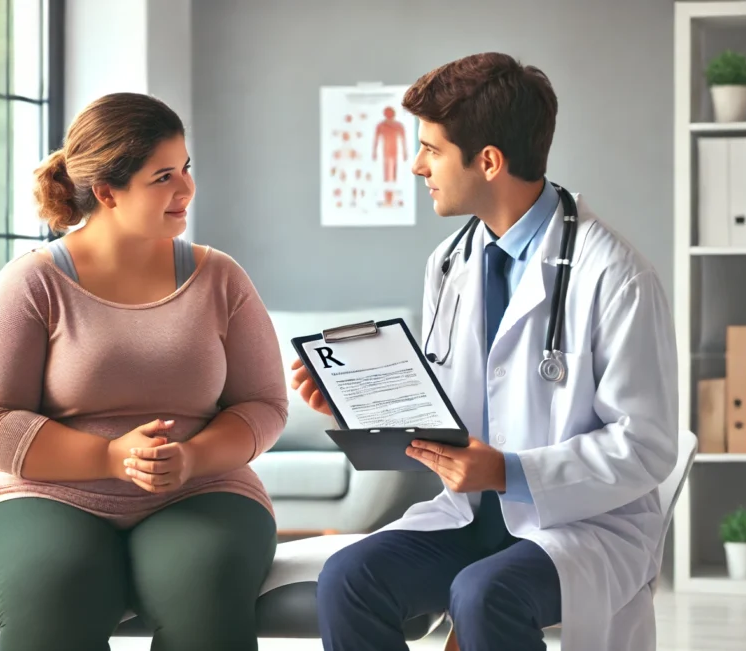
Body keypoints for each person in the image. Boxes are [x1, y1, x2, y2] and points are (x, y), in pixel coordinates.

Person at [291, 53, 679, 651]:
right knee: (349, 579)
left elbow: (645, 447)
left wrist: (510, 471)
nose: (417, 165)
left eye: (432, 149)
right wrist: (356, 407)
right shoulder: (449, 262)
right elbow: (449, 409)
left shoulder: (616, 275)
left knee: (483, 593)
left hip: (580, 527)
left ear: (489, 162)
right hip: (471, 516)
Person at [0, 92, 288, 651]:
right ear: (107, 192)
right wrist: (109, 457)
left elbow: (263, 405)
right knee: (59, 588)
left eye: (186, 169)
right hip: (40, 495)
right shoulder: (33, 283)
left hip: (199, 491)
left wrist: (191, 458)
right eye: (162, 177)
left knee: (206, 590)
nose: (185, 190)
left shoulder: (221, 278)